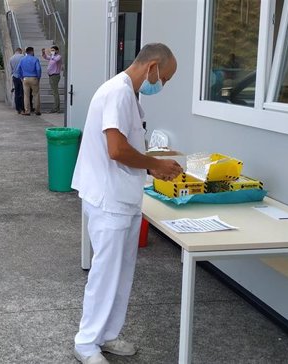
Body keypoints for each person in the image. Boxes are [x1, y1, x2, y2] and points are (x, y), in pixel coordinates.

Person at [71, 43, 183, 364]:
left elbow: (128, 144)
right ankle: (86, 342)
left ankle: (107, 335)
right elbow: (116, 149)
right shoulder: (118, 93)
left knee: (122, 272)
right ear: (151, 68)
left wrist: (154, 161)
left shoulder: (129, 95)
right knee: (105, 273)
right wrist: (153, 164)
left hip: (124, 197)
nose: (163, 85)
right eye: (166, 78)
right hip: (109, 199)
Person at [15, 47, 41, 116]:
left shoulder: (22, 59)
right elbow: (38, 69)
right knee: (36, 94)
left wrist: (21, 77)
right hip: (34, 78)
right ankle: (37, 110)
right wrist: (38, 77)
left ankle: (27, 111)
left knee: (26, 95)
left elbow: (18, 69)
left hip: (25, 79)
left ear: (26, 52)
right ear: (32, 51)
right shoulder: (35, 59)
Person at [42, 45, 63, 113]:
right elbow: (46, 57)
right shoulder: (52, 57)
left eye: (53, 50)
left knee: (55, 92)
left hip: (55, 76)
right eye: (51, 50)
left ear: (57, 51)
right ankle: (56, 107)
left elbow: (55, 60)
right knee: (54, 92)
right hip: (51, 76)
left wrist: (52, 55)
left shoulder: (58, 56)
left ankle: (56, 108)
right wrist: (43, 53)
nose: (52, 52)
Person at [9, 48, 26, 114]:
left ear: (15, 51)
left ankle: (18, 108)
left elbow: (11, 70)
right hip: (22, 77)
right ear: (20, 51)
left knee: (17, 93)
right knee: (22, 93)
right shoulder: (23, 57)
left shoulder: (11, 58)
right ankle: (22, 108)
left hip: (15, 77)